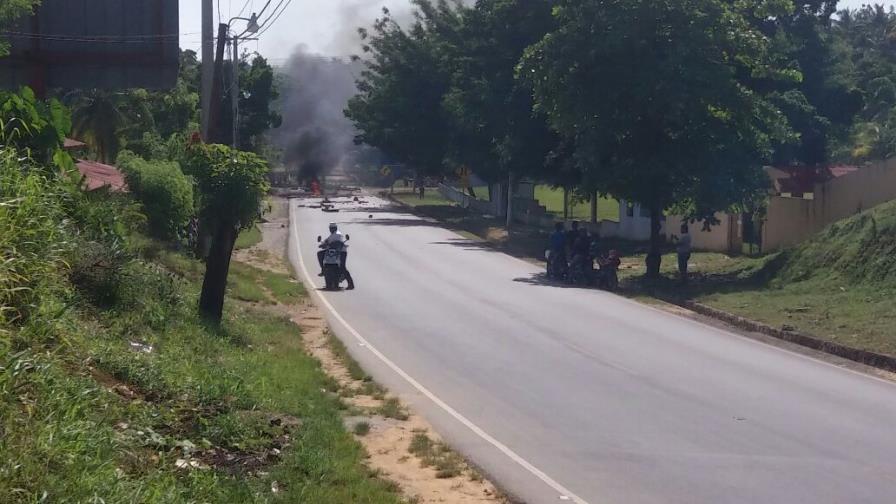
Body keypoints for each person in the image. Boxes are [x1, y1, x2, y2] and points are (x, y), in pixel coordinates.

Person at [317, 223, 355, 290]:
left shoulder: (337, 234)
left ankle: (350, 284)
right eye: (331, 228)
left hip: (341, 252)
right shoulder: (332, 235)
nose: (331, 229)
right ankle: (323, 269)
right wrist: (322, 244)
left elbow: (335, 242)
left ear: (335, 228)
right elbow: (326, 241)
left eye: (333, 228)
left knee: (342, 267)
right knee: (320, 254)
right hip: (331, 252)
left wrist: (326, 244)